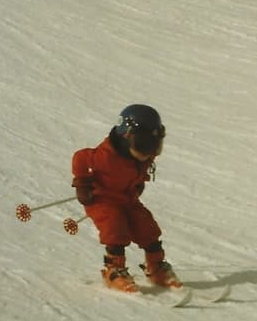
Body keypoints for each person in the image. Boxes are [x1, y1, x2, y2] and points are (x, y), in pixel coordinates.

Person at [71, 104, 181, 293]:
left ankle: (156, 268)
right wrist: (82, 184)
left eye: (154, 146)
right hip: (102, 200)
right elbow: (80, 158)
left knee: (148, 228)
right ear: (127, 137)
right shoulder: (105, 156)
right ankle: (114, 270)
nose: (148, 152)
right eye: (144, 145)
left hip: (128, 200)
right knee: (115, 228)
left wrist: (138, 185)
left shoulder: (142, 156)